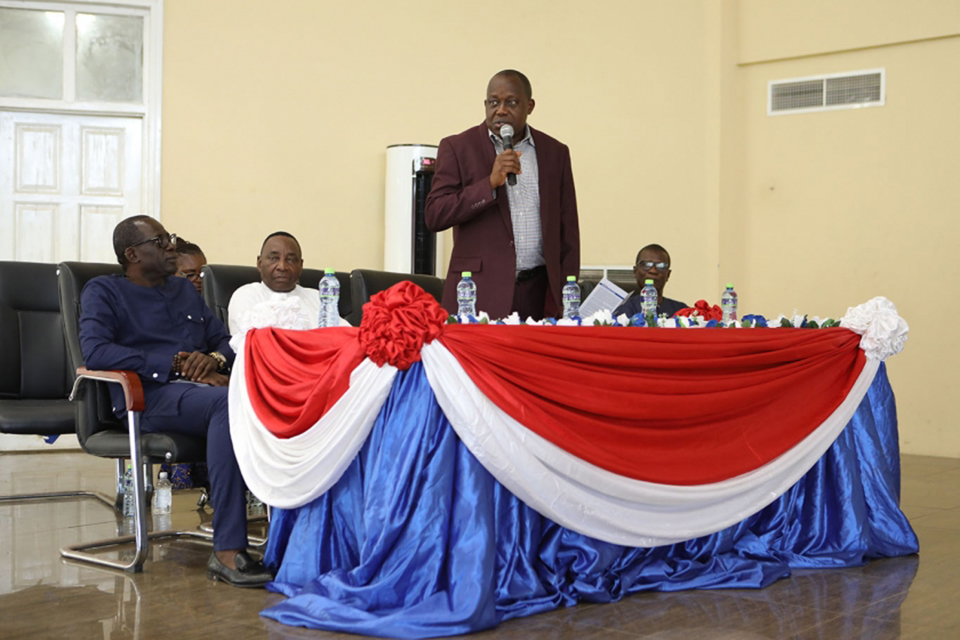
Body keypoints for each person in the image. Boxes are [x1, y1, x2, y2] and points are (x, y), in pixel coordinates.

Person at [79, 215, 272, 588]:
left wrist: (212, 361)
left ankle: (286, 540)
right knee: (227, 403)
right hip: (147, 399)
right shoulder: (102, 291)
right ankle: (228, 551)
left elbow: (224, 343)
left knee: (265, 397)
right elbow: (97, 351)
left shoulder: (184, 291)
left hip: (199, 393)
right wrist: (173, 364)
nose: (171, 245)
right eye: (160, 240)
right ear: (132, 254)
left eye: (168, 238)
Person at [425, 69, 580, 320]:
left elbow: (568, 230)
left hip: (539, 294)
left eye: (512, 102)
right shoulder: (458, 147)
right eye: (494, 103)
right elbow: (435, 215)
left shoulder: (555, 152)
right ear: (485, 105)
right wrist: (489, 184)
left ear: (529, 106)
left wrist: (566, 297)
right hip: (478, 295)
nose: (501, 110)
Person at [227, 231, 346, 336]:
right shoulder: (246, 295)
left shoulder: (317, 297)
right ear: (259, 263)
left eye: (291, 260)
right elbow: (248, 345)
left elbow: (346, 336)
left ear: (300, 266)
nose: (282, 267)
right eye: (274, 258)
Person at [613, 244, 688, 318]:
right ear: (635, 271)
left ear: (668, 275)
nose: (653, 271)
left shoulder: (682, 312)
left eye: (661, 266)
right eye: (646, 265)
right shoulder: (622, 310)